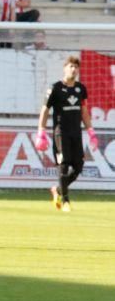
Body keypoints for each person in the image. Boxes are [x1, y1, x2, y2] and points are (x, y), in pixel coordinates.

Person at [35, 57, 98, 212]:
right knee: (64, 165)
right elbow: (45, 110)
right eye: (71, 66)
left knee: (78, 166)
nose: (74, 69)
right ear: (65, 68)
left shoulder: (80, 89)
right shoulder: (55, 88)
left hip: (76, 133)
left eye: (76, 67)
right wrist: (41, 132)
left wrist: (91, 131)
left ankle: (57, 189)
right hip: (60, 133)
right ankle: (65, 201)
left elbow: (84, 111)